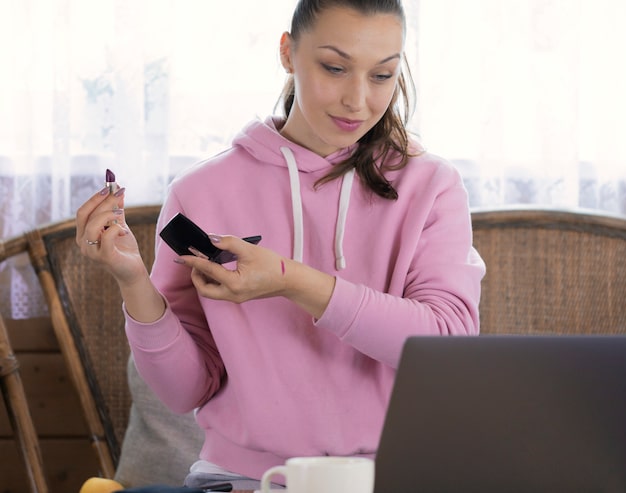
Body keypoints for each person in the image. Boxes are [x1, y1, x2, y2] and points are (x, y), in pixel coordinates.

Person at [76, 0, 485, 489]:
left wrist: (291, 282)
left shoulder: (431, 185)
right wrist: (132, 281)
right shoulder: (202, 192)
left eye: (381, 75)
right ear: (288, 53)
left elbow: (447, 345)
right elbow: (184, 391)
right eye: (334, 68)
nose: (358, 100)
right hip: (243, 479)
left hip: (394, 477)